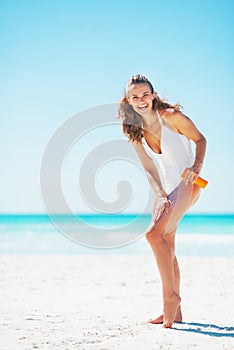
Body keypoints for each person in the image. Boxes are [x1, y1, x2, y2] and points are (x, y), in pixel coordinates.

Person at [118, 74, 207, 328]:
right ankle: (176, 313)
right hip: (168, 190)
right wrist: (159, 194)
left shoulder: (169, 117)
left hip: (189, 184)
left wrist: (197, 166)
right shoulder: (134, 132)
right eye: (135, 96)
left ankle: (170, 299)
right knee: (166, 244)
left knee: (153, 234)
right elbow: (148, 167)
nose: (141, 100)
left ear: (153, 95)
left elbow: (201, 139)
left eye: (145, 94)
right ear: (128, 101)